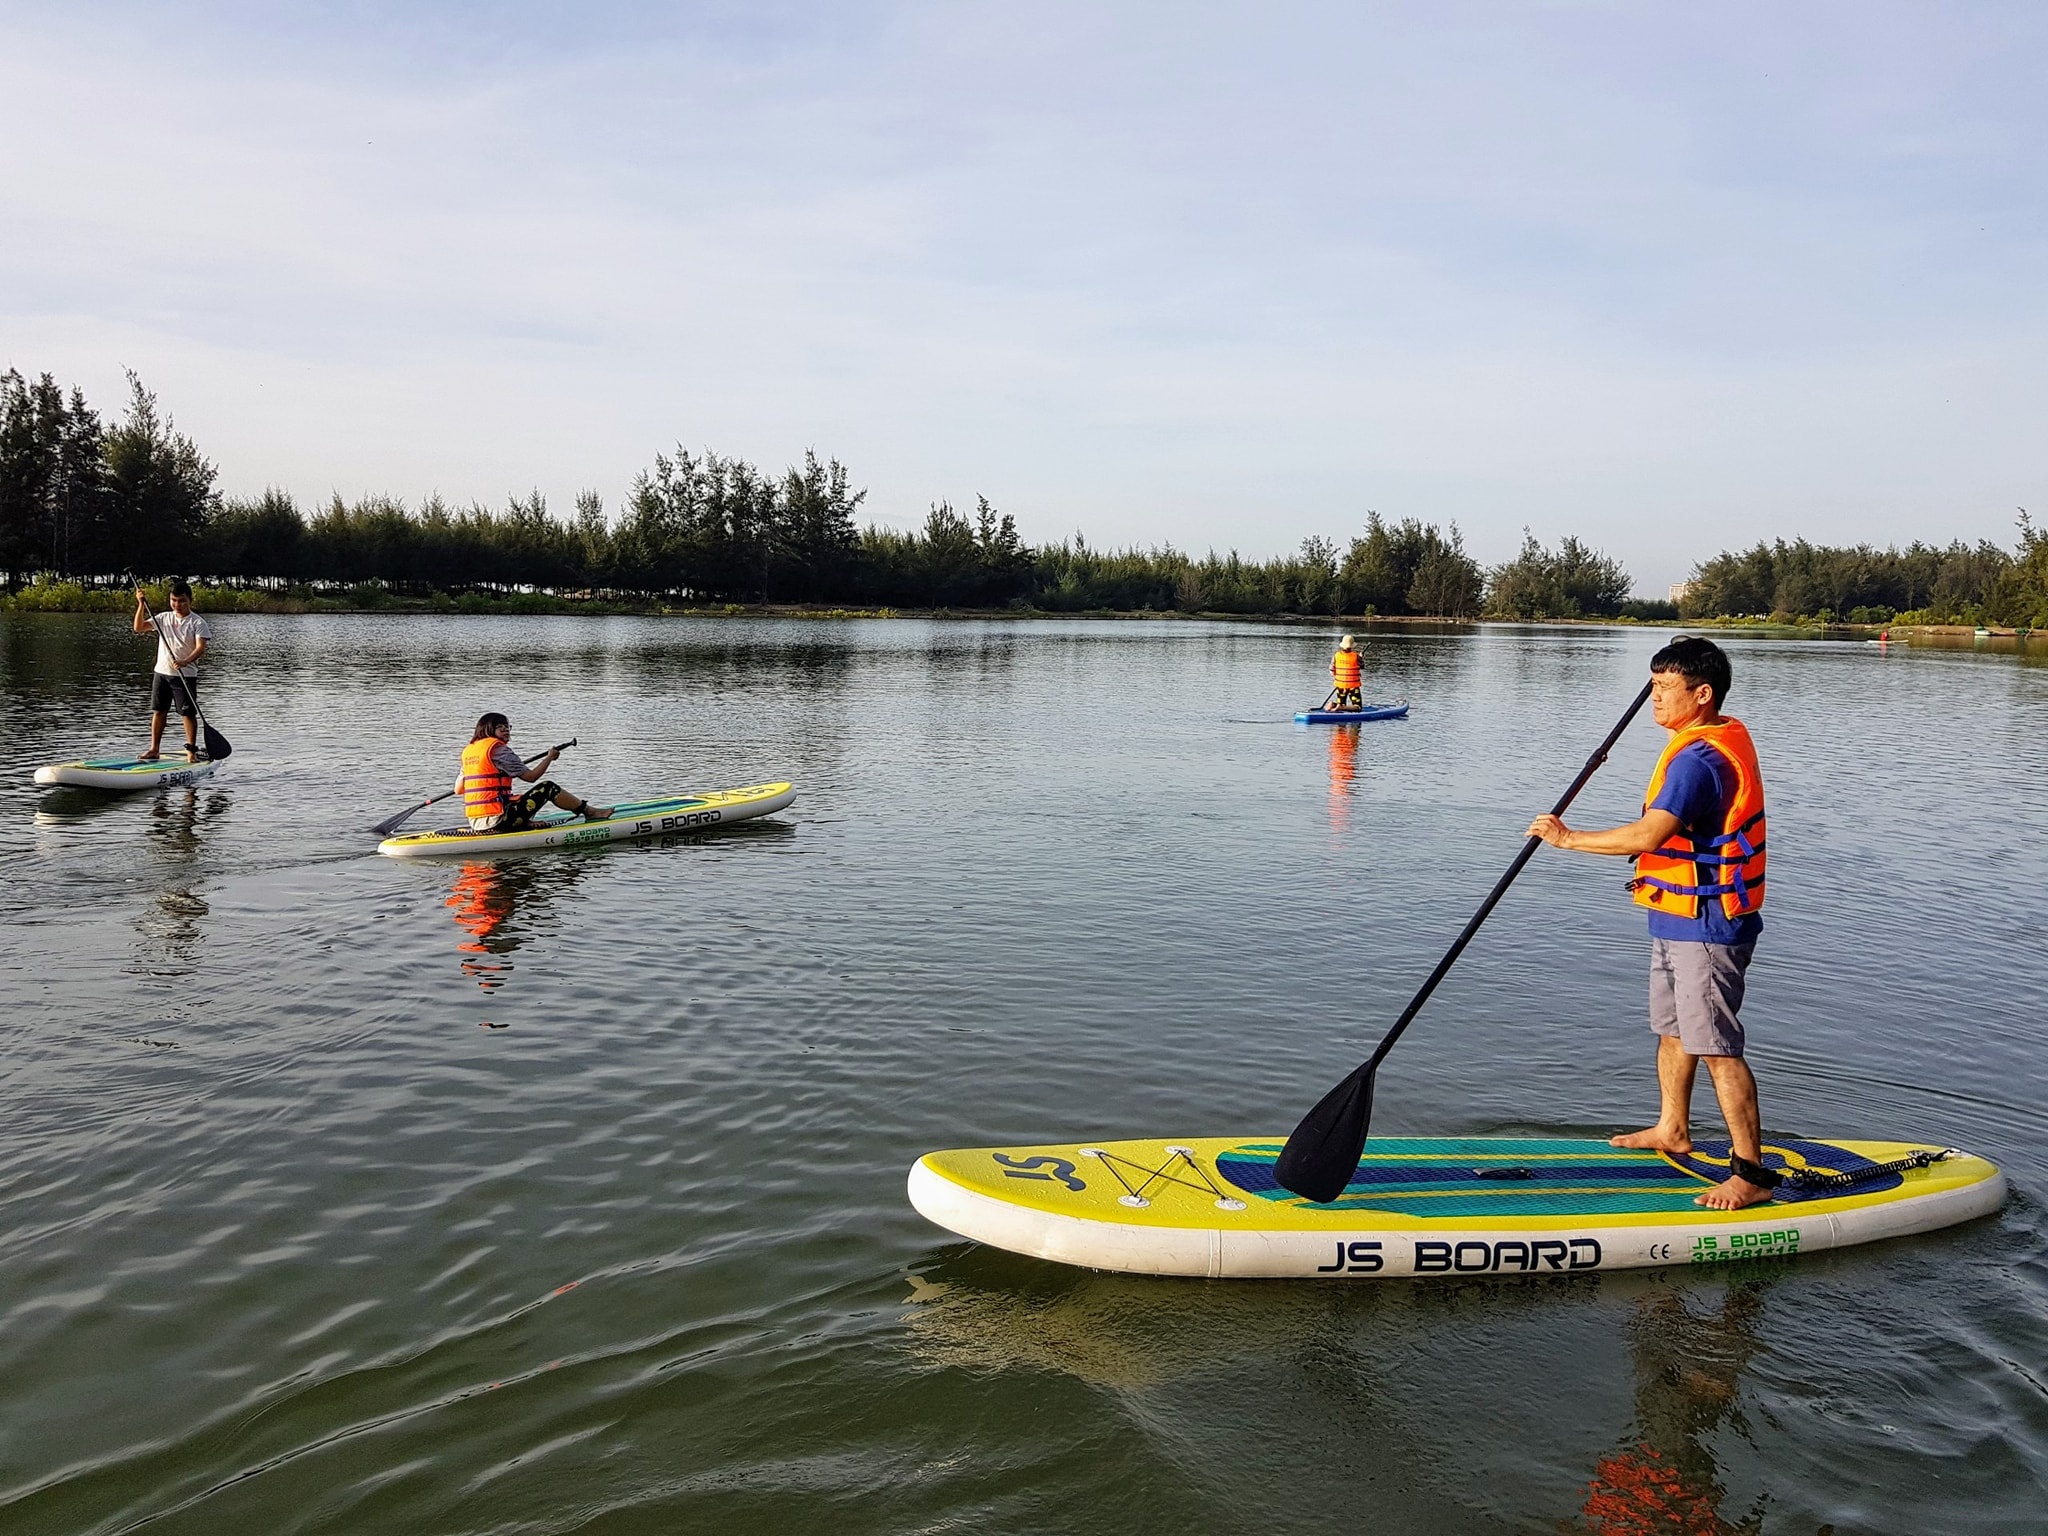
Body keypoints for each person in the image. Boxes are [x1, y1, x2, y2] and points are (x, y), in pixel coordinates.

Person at [1527, 636, 1774, 1210]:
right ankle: (1673, 1129)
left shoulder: (1700, 759)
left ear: (1703, 694)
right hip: (1676, 915)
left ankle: (1751, 1174)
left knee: (1716, 1046)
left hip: (1710, 923)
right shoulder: (1699, 743)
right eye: (1653, 686)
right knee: (1672, 1029)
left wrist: (1568, 839)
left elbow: (1649, 836)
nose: (1654, 699)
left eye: (1665, 688)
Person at [458, 714, 612, 832]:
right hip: (498, 821)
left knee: (518, 797)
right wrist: (549, 758)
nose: (506, 730)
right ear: (489, 730)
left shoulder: (469, 751)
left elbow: (458, 789)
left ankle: (525, 823)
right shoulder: (499, 750)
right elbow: (531, 777)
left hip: (476, 823)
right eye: (500, 727)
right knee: (547, 787)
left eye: (507, 726)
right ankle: (590, 812)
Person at [134, 580, 211, 761]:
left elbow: (200, 648)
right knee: (159, 711)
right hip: (162, 673)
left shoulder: (197, 622)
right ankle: (154, 749)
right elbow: (139, 627)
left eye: (182, 601)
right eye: (174, 600)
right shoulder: (163, 618)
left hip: (185, 675)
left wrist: (185, 661)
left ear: (190, 600)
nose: (177, 605)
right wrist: (141, 604)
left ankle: (191, 751)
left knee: (187, 713)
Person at [1330, 634, 1363, 711]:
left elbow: (1331, 669)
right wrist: (1361, 658)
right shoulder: (1356, 656)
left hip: (1340, 685)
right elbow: (1362, 666)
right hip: (1353, 685)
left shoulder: (1336, 655)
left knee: (1341, 702)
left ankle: (1334, 705)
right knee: (1358, 707)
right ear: (1352, 646)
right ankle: (1341, 707)